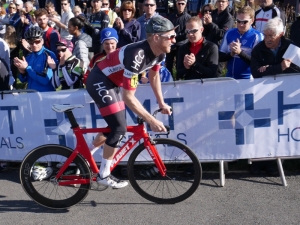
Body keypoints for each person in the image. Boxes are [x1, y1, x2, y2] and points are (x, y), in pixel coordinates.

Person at [85, 15, 173, 188]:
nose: (173, 40)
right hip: (99, 80)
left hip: (112, 82)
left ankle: (86, 155)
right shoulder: (137, 55)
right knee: (119, 127)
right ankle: (104, 174)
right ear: (156, 37)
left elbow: (154, 76)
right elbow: (128, 97)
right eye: (170, 36)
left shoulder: (160, 53)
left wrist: (161, 103)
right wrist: (151, 120)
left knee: (115, 127)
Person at [83, 27, 119, 153]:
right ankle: (93, 155)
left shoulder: (122, 54)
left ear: (116, 43)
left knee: (115, 128)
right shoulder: (97, 58)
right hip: (104, 94)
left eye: (112, 43)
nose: (109, 47)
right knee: (116, 127)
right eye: (106, 44)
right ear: (102, 44)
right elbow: (87, 76)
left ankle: (91, 153)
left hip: (118, 95)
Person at [219, 6, 264, 79]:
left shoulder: (257, 36)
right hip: (230, 77)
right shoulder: (229, 33)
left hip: (248, 79)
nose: (241, 24)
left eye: (244, 22)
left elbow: (257, 62)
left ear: (252, 21)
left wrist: (240, 53)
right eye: (238, 21)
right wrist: (231, 54)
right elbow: (220, 57)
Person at [13, 26, 58, 92]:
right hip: (31, 95)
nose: (34, 44)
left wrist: (27, 68)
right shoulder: (28, 57)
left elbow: (45, 80)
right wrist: (22, 72)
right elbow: (23, 80)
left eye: (37, 41)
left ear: (42, 41)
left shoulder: (49, 55)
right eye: (31, 42)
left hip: (46, 96)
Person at [166, 0, 191, 79]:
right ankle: (168, 80)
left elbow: (187, 34)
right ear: (176, 4)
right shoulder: (171, 16)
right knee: (169, 65)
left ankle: (178, 82)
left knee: (179, 65)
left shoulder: (188, 18)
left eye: (182, 4)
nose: (180, 5)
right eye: (179, 3)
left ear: (185, 5)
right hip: (171, 44)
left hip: (182, 45)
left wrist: (175, 36)